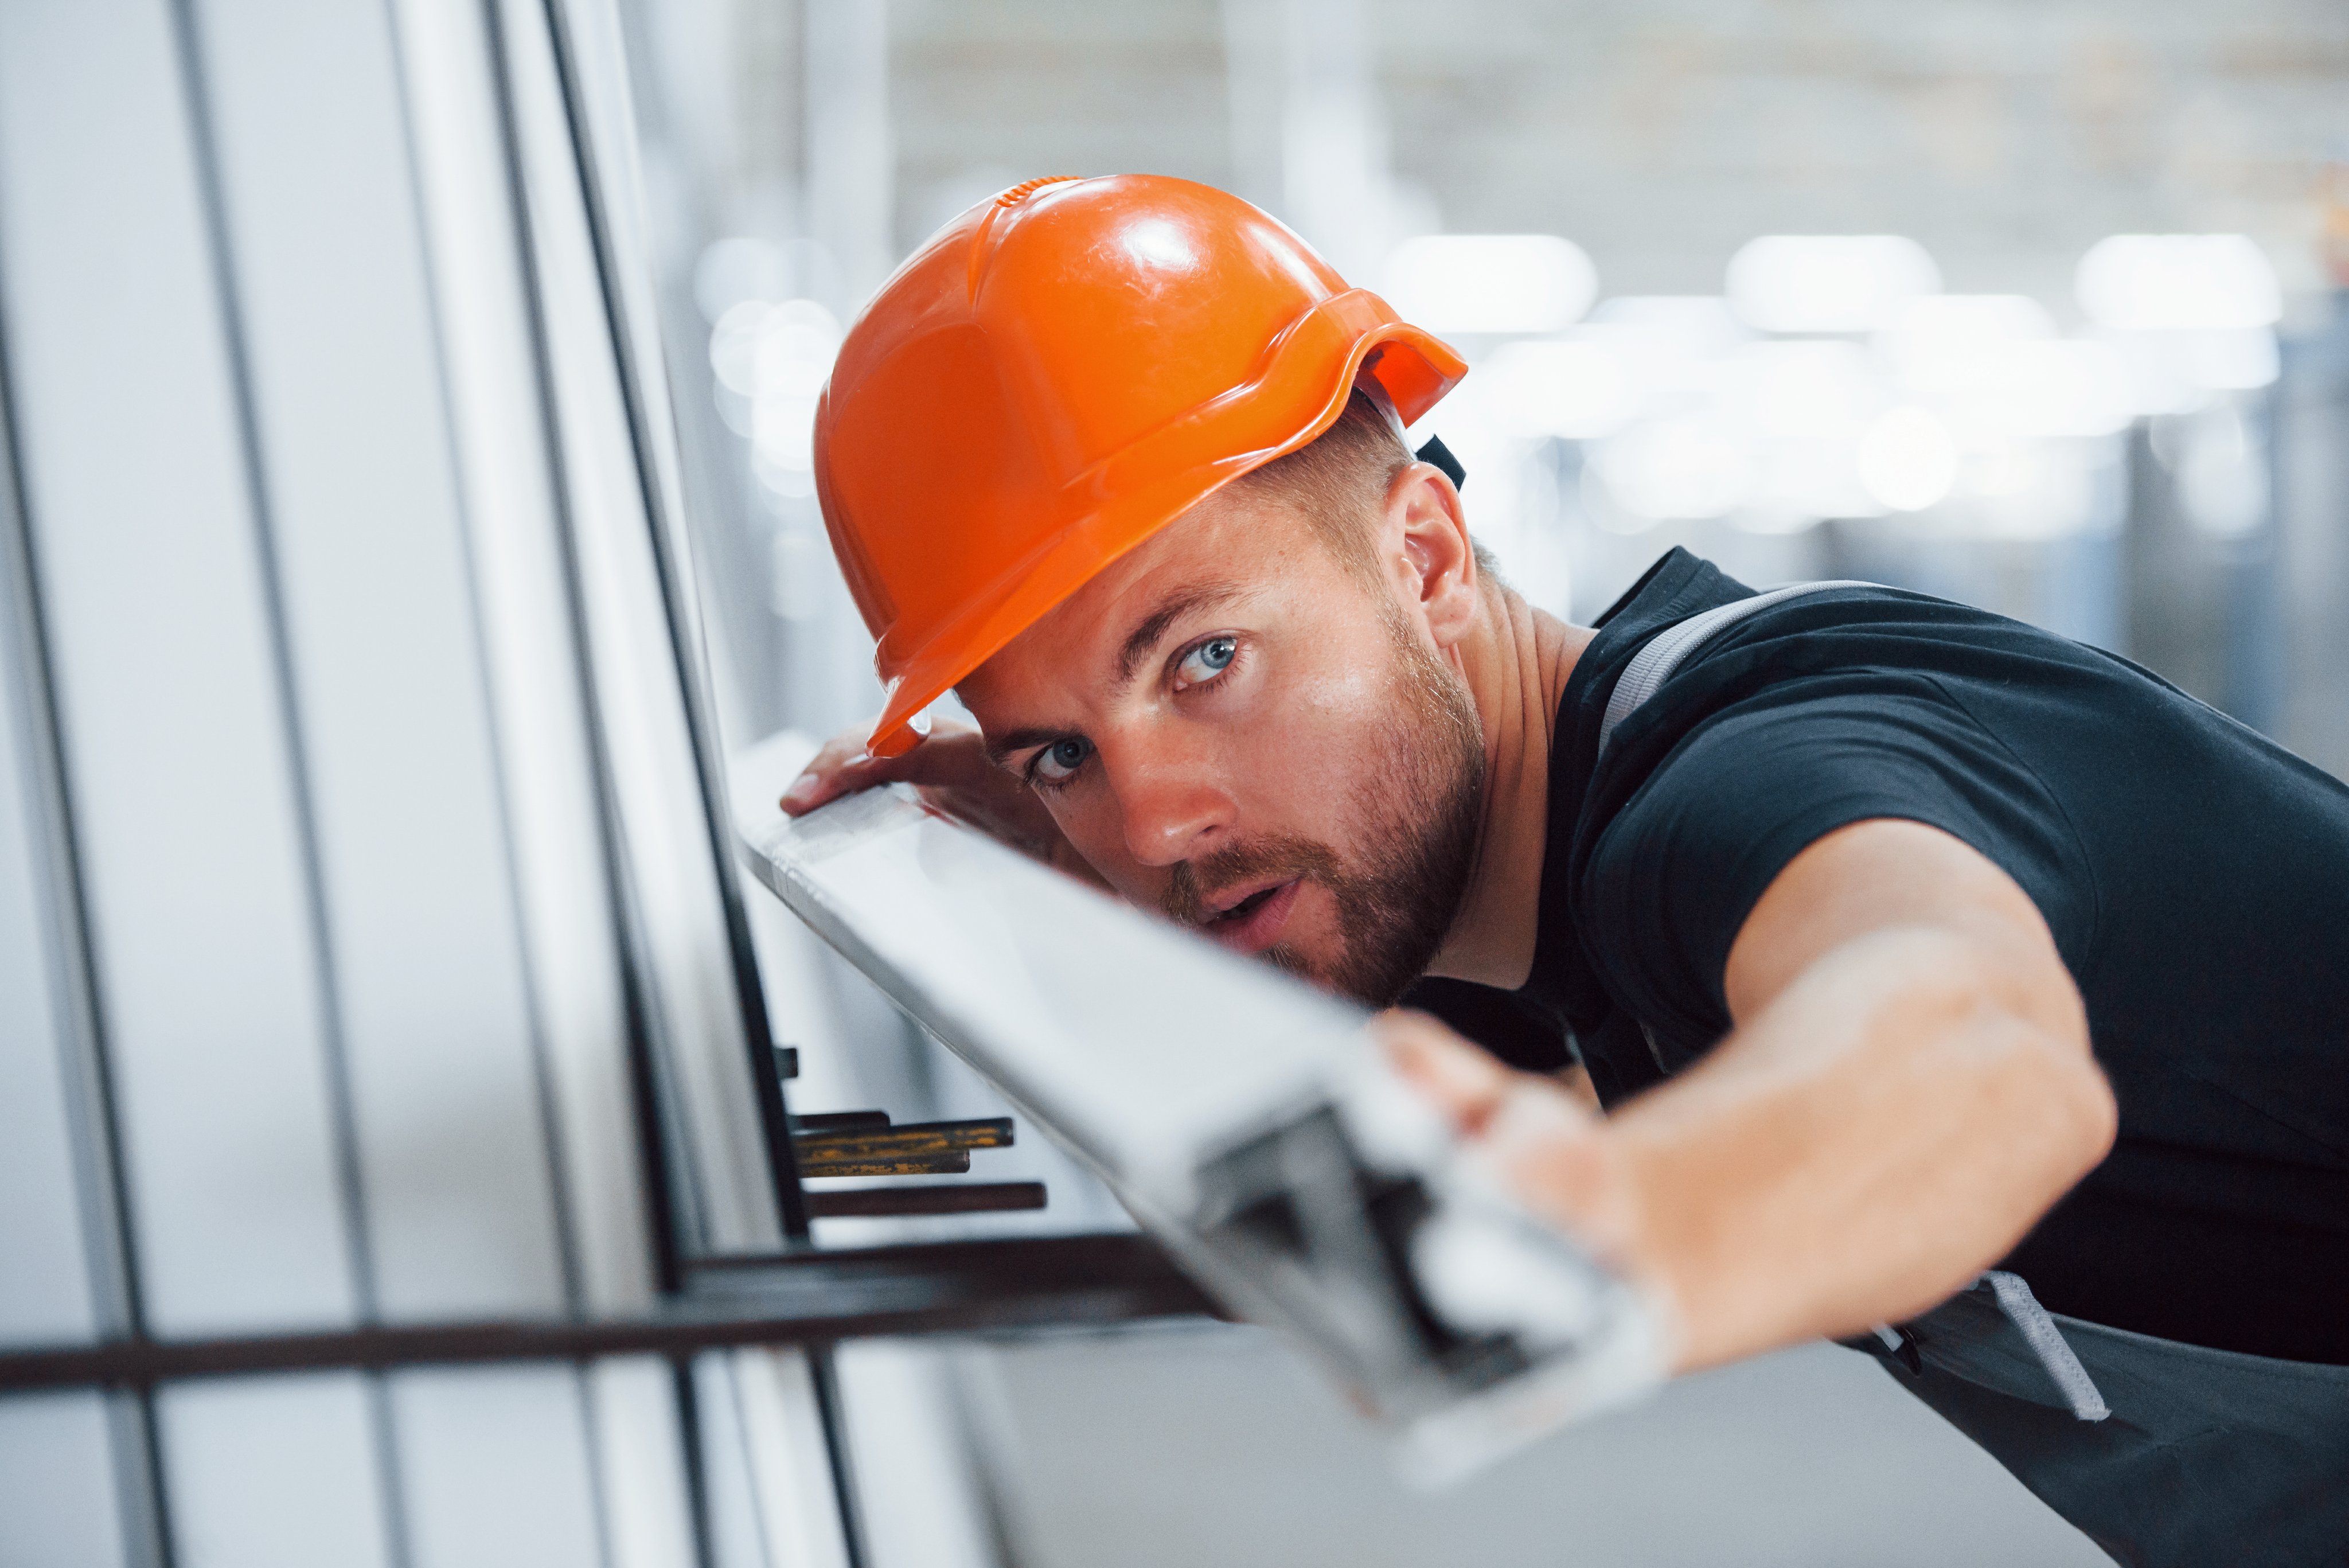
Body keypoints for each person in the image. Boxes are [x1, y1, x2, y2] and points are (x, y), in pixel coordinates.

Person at [782, 175, 2349, 1565]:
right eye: (1063, 750)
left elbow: (1977, 1060)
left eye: (1205, 658)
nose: (1153, 825)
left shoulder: (1749, 794)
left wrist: (1603, 1226)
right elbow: (1247, 1223)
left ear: (1428, 558)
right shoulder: (1514, 937)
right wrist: (837, 1165)